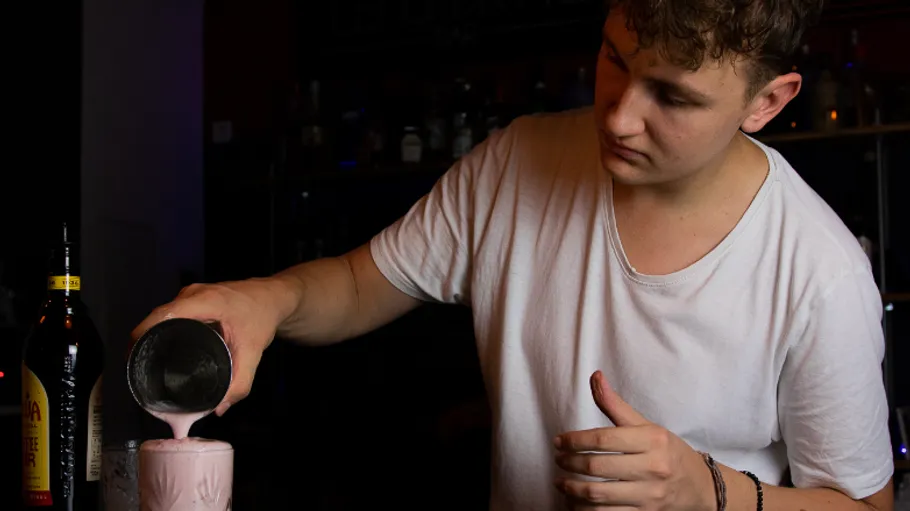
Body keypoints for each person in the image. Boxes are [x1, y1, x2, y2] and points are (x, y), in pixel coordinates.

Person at [134, 0, 896, 509]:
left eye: (674, 97)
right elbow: (362, 283)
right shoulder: (519, 161)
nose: (621, 116)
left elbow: (865, 504)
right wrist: (264, 300)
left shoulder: (819, 270)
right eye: (615, 58)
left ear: (766, 102)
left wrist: (711, 492)